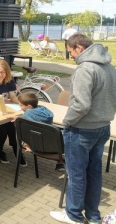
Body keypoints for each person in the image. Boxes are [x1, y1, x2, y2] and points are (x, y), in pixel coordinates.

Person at [50, 33, 116, 224]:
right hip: (103, 127)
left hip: (81, 130)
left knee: (76, 174)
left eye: (70, 51)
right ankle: (94, 216)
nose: (70, 56)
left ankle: (73, 215)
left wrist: (67, 122)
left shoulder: (84, 69)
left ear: (79, 47)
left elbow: (81, 104)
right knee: (94, 173)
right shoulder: (110, 68)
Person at [10, 92, 63, 170]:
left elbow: (22, 130)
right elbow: (33, 118)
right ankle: (60, 162)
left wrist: (17, 120)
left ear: (29, 106)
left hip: (37, 147)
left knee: (21, 134)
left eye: (21, 105)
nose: (20, 107)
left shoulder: (25, 117)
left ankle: (28, 146)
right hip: (53, 147)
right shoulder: (46, 113)